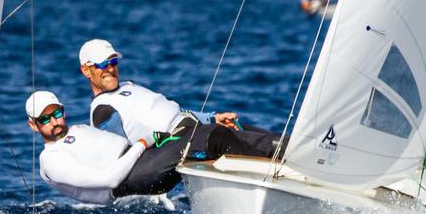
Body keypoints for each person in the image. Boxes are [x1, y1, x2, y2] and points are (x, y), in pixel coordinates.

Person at [79, 39, 279, 195]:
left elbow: (175, 113)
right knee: (216, 136)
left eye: (113, 62)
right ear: (86, 70)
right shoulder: (102, 110)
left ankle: (291, 154)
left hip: (191, 128)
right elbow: (119, 156)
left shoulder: (128, 86)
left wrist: (212, 117)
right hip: (171, 144)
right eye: (102, 64)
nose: (110, 69)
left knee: (253, 132)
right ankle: (271, 180)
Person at [28, 90, 151, 204]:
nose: (54, 122)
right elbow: (109, 180)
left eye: (57, 113)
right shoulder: (50, 160)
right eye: (45, 119)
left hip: (137, 155)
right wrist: (142, 143)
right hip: (125, 183)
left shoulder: (77, 129)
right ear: (33, 125)